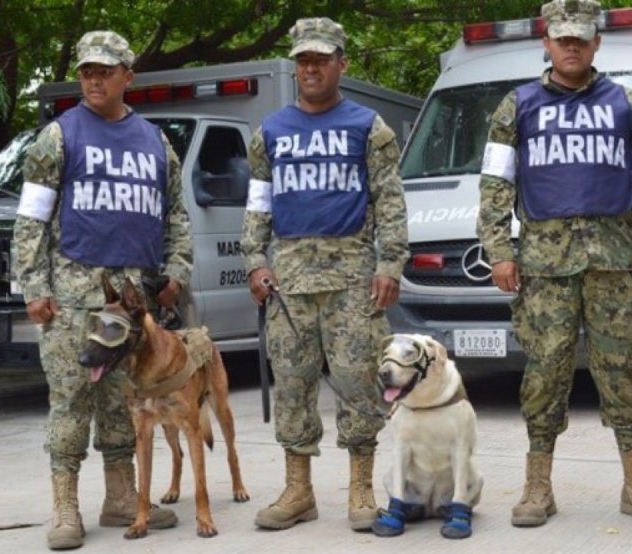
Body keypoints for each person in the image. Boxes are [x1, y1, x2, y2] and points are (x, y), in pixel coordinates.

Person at [476, 0, 632, 527]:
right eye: (561, 38)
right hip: (543, 266)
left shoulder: (627, 105)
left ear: (595, 43)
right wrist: (498, 251)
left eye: (580, 38)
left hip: (613, 261)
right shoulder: (515, 107)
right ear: (546, 42)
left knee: (621, 374)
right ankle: (537, 487)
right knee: (544, 375)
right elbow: (496, 186)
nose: (571, 46)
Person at [13, 30, 192, 550]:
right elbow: (31, 222)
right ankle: (65, 507)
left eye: (104, 71)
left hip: (132, 303)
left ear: (127, 78)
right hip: (71, 298)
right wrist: (34, 287)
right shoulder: (58, 137)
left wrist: (175, 270)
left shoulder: (155, 142)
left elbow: (176, 214)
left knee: (124, 402)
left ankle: (121, 499)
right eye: (86, 71)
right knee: (71, 402)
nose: (93, 79)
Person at [241, 17, 409, 532]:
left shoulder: (368, 127)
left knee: (360, 385)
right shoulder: (269, 132)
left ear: (342, 63)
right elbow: (258, 206)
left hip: (353, 278)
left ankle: (360, 490)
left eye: (320, 58)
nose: (310, 68)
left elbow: (389, 200)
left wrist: (390, 263)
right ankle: (298, 491)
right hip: (289, 283)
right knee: (292, 386)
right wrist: (255, 261)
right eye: (303, 60)